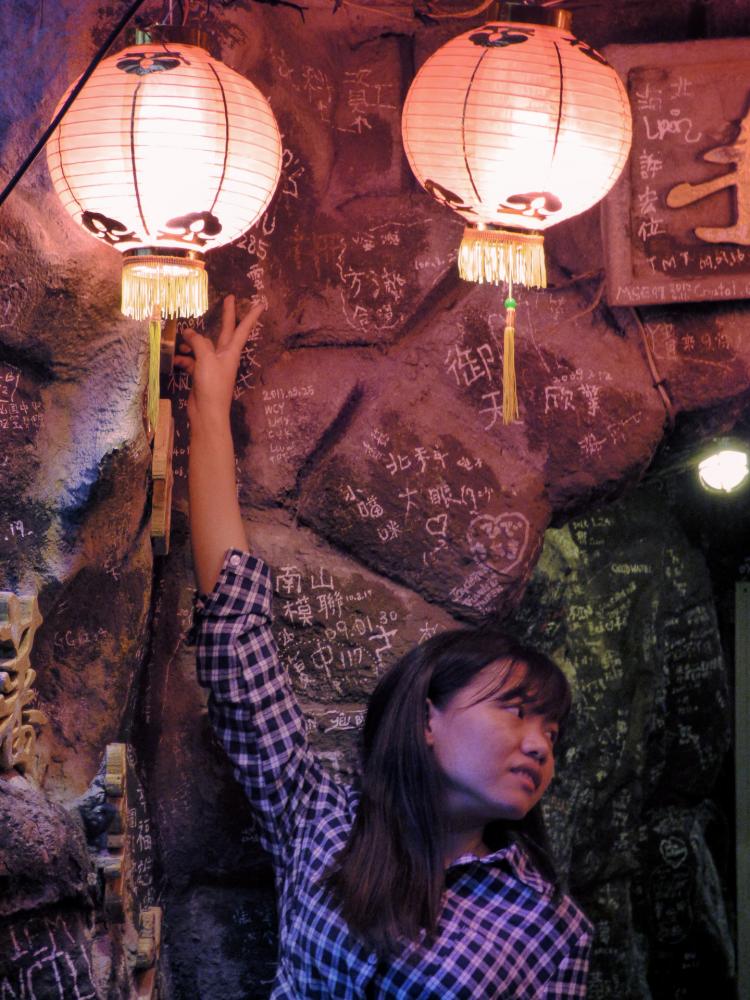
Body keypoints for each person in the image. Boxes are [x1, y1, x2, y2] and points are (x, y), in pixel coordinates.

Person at [177, 296, 593, 998]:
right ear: (428, 718)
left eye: (551, 731)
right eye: (517, 711)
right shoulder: (323, 820)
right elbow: (235, 633)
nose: (540, 745)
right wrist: (211, 412)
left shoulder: (551, 929)